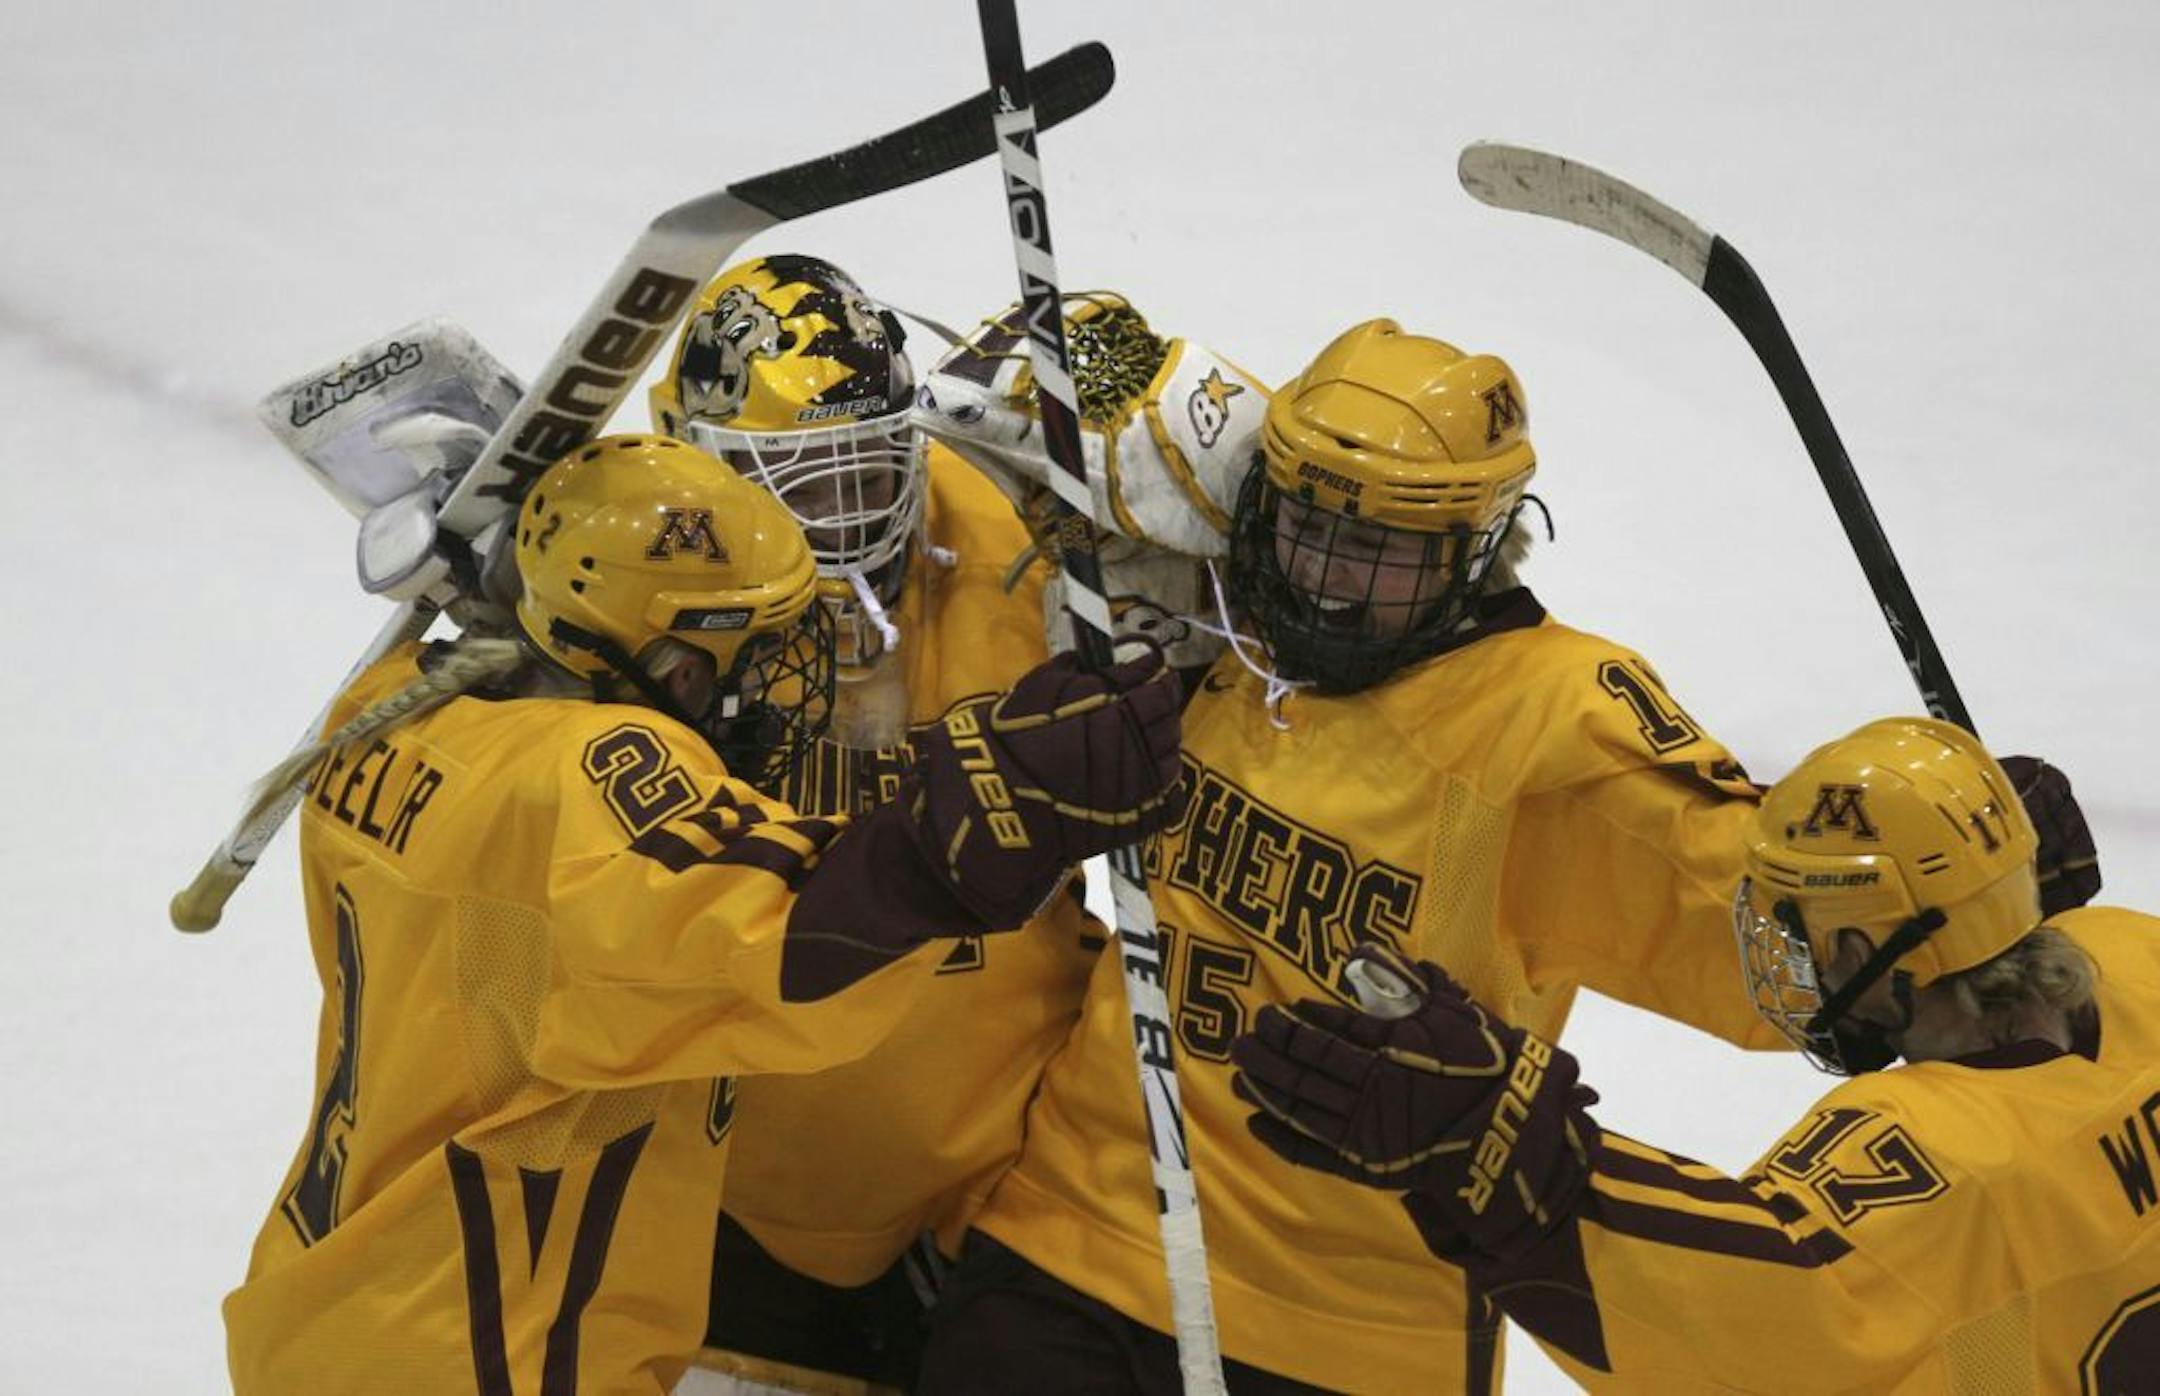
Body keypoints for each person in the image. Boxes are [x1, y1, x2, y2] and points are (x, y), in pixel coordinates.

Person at [914, 317, 1797, 1394]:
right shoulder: (1217, 625)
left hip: (1355, 1337)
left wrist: (1936, 871)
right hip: (1069, 1242)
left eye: (1377, 548)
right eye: (1307, 526)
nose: (1325, 576)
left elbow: (1781, 951)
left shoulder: (1548, 723)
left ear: (1474, 544)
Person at [222, 433, 1185, 1394]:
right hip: (484, 1351)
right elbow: (793, 936)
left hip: (326, 1310)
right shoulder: (588, 785)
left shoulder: (391, 711)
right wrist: (998, 804)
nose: (775, 677)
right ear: (673, 666)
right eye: (747, 643)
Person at [1234, 718, 2149, 1392]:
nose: (1787, 955)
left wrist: (1501, 1150)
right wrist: (2009, 893)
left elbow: (1751, 1313)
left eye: (1804, 927)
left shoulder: (1945, 1152)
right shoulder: (2132, 955)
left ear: (1877, 954)